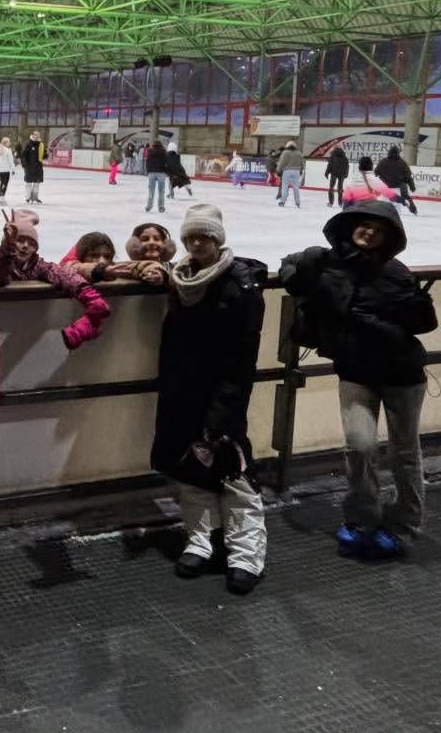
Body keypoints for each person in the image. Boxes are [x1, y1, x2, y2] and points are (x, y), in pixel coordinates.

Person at [280, 201, 438, 558]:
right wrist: (298, 273)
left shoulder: (395, 273)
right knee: (360, 446)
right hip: (355, 371)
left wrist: (382, 319)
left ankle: (403, 526)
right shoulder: (326, 262)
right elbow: (291, 266)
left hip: (401, 374)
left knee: (404, 452)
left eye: (379, 230)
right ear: (349, 227)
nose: (369, 232)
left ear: (389, 238)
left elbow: (422, 323)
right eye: (365, 225)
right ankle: (362, 519)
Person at [151, 205, 267, 595]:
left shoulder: (241, 286)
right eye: (191, 237)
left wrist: (225, 407)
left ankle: (245, 555)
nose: (197, 243)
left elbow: (243, 355)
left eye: (205, 237)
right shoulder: (181, 278)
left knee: (233, 473)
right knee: (190, 469)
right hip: (182, 390)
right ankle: (201, 541)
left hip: (223, 393)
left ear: (218, 239)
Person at [0, 210, 111, 350]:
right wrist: (8, 247)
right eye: (20, 240)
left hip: (26, 327)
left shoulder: (37, 265)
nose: (26, 246)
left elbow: (60, 273)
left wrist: (87, 293)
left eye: (31, 243)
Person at [103, 222, 175, 285]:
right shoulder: (123, 268)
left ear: (166, 244)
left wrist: (162, 276)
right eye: (145, 239)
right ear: (134, 245)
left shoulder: (175, 269)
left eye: (157, 239)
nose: (151, 242)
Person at [374, 145, 416, 215]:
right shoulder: (402, 163)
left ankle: (382, 217)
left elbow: (376, 173)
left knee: (383, 204)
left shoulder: (383, 161)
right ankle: (396, 217)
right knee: (396, 206)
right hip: (397, 187)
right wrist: (412, 186)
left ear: (389, 153)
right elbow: (408, 176)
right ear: (398, 153)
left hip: (385, 188)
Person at [275, 140, 305, 208]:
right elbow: (302, 163)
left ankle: (282, 201)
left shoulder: (285, 152)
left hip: (287, 171)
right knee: (296, 187)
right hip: (296, 171)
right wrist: (301, 170)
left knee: (285, 186)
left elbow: (282, 162)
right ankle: (297, 202)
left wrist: (278, 170)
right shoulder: (299, 153)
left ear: (287, 146)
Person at [20, 131, 46, 204]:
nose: (37, 136)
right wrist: (24, 164)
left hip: (38, 167)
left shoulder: (41, 144)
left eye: (38, 135)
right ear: (32, 135)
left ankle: (35, 197)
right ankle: (28, 198)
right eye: (35, 134)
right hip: (29, 167)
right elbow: (23, 155)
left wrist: (45, 154)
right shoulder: (28, 144)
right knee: (28, 183)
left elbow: (44, 155)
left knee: (37, 183)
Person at [144, 141, 168, 212]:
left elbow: (147, 162)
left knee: (151, 190)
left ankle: (149, 206)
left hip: (152, 172)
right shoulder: (164, 152)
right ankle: (161, 207)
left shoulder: (150, 152)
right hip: (161, 172)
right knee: (161, 191)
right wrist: (166, 172)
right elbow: (167, 163)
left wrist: (148, 171)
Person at [0, 136, 15, 204]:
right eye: (9, 142)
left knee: (2, 183)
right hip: (6, 169)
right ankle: (2, 197)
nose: (10, 143)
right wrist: (13, 169)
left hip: (0, 170)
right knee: (5, 183)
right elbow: (10, 161)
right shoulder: (8, 150)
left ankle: (0, 197)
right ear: (6, 143)